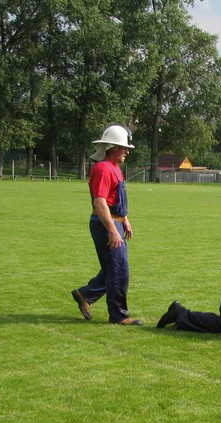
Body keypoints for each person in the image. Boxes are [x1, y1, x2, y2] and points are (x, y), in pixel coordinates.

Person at [71, 124, 142, 325]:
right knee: (119, 269)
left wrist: (125, 219)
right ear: (112, 148)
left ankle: (85, 295)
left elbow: (114, 199)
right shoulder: (103, 169)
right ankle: (119, 316)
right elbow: (100, 202)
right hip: (105, 224)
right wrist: (112, 229)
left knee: (115, 267)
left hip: (114, 222)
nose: (127, 151)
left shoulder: (115, 168)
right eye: (123, 148)